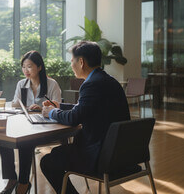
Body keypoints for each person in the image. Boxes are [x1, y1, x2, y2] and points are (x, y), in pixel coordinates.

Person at [40, 41, 130, 194]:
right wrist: (59, 106)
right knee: (57, 154)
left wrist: (50, 113)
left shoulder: (91, 84)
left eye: (72, 61)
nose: (71, 65)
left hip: (101, 155)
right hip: (121, 154)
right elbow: (87, 109)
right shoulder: (108, 80)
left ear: (81, 62)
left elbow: (75, 118)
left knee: (48, 161)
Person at [0, 50, 62, 194]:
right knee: (3, 138)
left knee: (25, 141)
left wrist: (43, 108)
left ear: (39, 67)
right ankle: (11, 179)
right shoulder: (22, 84)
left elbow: (58, 106)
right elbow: (16, 103)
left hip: (47, 128)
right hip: (26, 125)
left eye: (29, 66)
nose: (25, 70)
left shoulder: (51, 84)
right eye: (23, 66)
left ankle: (23, 183)